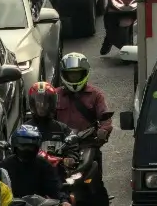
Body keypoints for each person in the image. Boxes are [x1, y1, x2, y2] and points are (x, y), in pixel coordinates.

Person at [56, 54, 113, 205]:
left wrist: (104, 131)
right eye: (70, 74)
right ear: (63, 74)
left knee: (95, 184)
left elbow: (105, 119)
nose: (74, 78)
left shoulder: (96, 95)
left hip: (87, 145)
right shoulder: (55, 95)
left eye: (77, 74)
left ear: (84, 73)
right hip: (60, 147)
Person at [1, 126, 66, 203]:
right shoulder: (6, 165)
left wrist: (63, 200)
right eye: (23, 146)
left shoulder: (43, 164)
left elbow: (54, 187)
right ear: (15, 146)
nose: (27, 149)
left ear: (36, 147)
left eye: (30, 146)